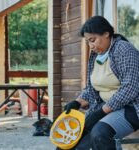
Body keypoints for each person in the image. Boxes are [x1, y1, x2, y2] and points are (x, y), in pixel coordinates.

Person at [56, 16, 139, 150]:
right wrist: (77, 102)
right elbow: (91, 89)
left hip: (131, 108)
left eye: (92, 40)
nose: (91, 46)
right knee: (68, 142)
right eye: (88, 42)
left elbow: (130, 88)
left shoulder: (124, 50)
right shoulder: (95, 56)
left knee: (100, 133)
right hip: (104, 108)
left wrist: (101, 112)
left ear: (106, 33)